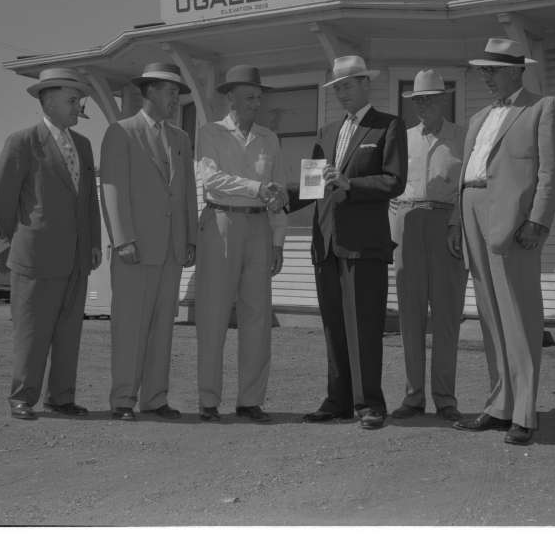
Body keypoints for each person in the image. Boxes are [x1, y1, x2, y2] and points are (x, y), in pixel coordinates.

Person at [449, 38, 555, 445]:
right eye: (483, 70)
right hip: (470, 209)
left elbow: (552, 172)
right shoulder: (480, 116)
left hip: (514, 220)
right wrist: (454, 220)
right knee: (490, 316)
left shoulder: (543, 108)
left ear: (517, 70)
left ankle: (524, 413)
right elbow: (467, 171)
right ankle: (499, 406)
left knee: (519, 315)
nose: (486, 76)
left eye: (493, 69)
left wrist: (538, 220)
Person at [297, 55, 408, 430]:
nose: (341, 92)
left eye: (346, 85)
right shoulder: (326, 132)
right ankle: (338, 400)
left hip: (365, 244)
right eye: (336, 87)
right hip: (326, 242)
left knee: (364, 324)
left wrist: (351, 186)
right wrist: (279, 195)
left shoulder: (388, 127)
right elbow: (313, 186)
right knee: (333, 325)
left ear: (365, 84)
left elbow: (394, 181)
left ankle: (369, 403)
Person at [0, 67, 103, 421]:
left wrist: (94, 243)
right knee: (32, 330)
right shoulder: (21, 142)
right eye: (72, 100)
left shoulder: (83, 146)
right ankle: (22, 397)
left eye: (79, 100)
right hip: (35, 256)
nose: (78, 107)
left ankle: (61, 398)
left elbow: (88, 200)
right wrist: (22, 235)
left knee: (69, 331)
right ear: (48, 101)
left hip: (77, 257)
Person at [99, 63, 198, 421]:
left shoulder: (181, 139)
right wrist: (123, 239)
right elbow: (112, 188)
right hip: (135, 249)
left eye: (177, 93)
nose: (176, 99)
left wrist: (190, 239)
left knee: (162, 328)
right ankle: (123, 399)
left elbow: (187, 191)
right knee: (129, 327)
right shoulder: (120, 132)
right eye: (171, 92)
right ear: (151, 91)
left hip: (171, 250)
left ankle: (155, 399)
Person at [194, 65, 288, 423]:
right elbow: (212, 181)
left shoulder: (270, 138)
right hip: (220, 223)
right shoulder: (210, 133)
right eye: (249, 95)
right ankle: (208, 400)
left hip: (259, 228)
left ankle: (250, 400)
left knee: (257, 316)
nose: (256, 101)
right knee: (214, 313)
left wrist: (278, 241)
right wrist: (255, 188)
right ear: (229, 96)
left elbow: (278, 189)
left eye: (259, 95)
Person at [388, 69, 468, 423]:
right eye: (418, 100)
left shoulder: (463, 138)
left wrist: (457, 226)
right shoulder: (401, 139)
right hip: (407, 224)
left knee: (447, 315)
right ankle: (413, 395)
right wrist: (393, 231)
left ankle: (445, 398)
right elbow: (391, 189)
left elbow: (468, 189)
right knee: (410, 314)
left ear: (444, 100)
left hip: (446, 225)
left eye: (431, 99)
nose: (424, 106)